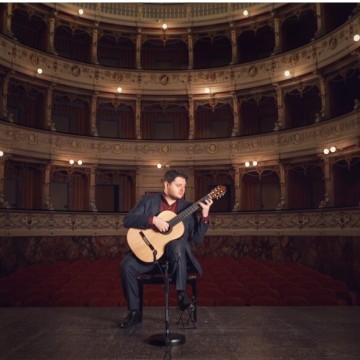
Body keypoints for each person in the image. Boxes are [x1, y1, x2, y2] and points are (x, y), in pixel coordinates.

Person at [119, 169, 213, 328]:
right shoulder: (148, 201)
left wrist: (204, 215)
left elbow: (197, 239)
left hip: (176, 260)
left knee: (178, 243)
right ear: (166, 184)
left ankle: (181, 295)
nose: (182, 189)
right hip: (150, 256)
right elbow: (128, 220)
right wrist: (153, 220)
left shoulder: (188, 208)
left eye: (184, 186)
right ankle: (134, 313)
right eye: (178, 185)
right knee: (126, 265)